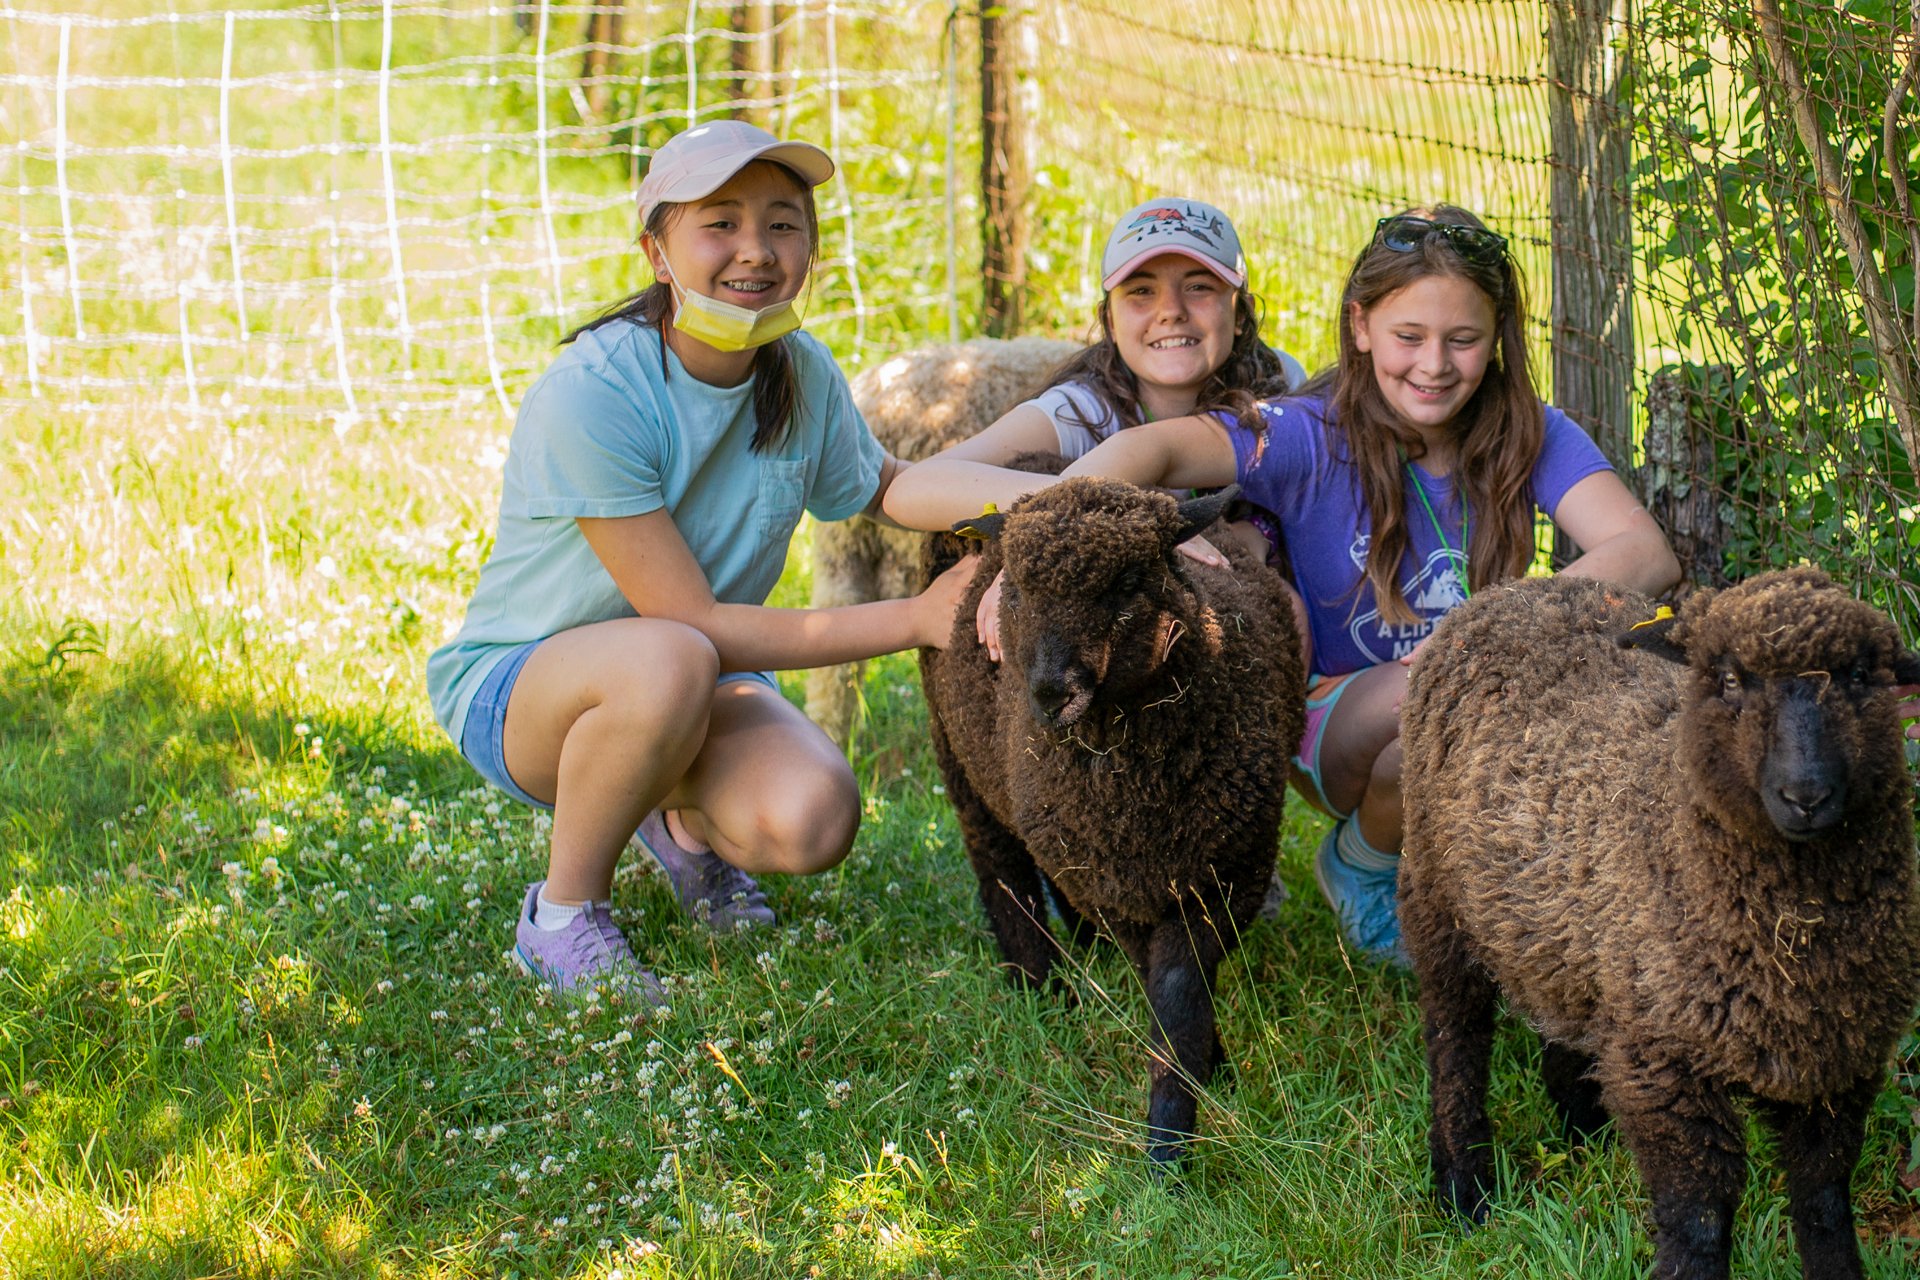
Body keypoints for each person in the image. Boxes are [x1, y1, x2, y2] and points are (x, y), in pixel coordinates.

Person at [885, 204, 1681, 965]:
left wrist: (1493, 630)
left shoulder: (1531, 432)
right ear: (1362, 327)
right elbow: (1145, 453)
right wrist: (1052, 550)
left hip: (1471, 681)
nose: (1435, 364)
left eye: (1463, 339)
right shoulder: (1302, 430)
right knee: (1436, 698)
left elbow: (1643, 552)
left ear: (1498, 340)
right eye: (1410, 335)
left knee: (1549, 685)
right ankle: (1362, 869)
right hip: (1338, 712)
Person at [426, 121, 974, 998]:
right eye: (719, 222)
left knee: (812, 818)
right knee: (674, 653)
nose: (755, 250)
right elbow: (694, 622)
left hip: (686, 678)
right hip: (524, 690)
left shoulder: (799, 373)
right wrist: (917, 618)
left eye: (783, 223)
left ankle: (671, 824)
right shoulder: (596, 394)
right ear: (657, 250)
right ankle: (562, 919)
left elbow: (892, 487)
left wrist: (1041, 501)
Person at [882, 196, 1308, 662]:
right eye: (1141, 291)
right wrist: (1089, 511)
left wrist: (1256, 533)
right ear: (1108, 318)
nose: (1171, 310)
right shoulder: (1083, 410)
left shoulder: (1279, 388)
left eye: (1200, 286)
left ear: (1240, 311)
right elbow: (910, 489)